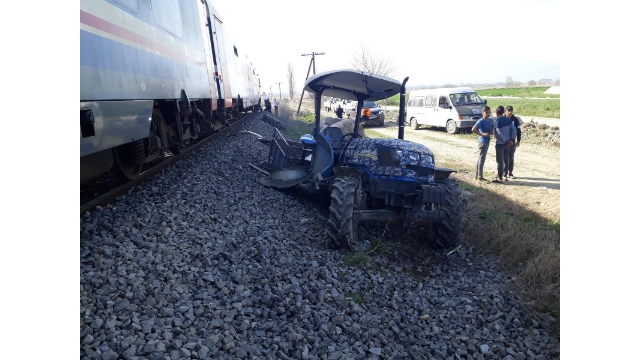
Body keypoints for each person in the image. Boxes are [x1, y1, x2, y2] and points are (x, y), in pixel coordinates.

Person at [492, 106, 517, 183]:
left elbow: (499, 133)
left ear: (496, 113)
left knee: (500, 161)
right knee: (507, 159)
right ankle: (505, 176)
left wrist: (505, 141)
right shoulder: (508, 120)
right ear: (503, 112)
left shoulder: (497, 121)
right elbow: (514, 130)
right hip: (508, 144)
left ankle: (500, 177)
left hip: (500, 143)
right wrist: (511, 140)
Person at [471, 106, 493, 182]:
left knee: (481, 158)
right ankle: (479, 177)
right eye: (486, 112)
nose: (488, 114)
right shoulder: (481, 121)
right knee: (481, 159)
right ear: (482, 113)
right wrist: (481, 134)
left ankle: (477, 175)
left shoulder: (490, 120)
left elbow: (492, 131)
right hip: (482, 141)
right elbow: (473, 129)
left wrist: (489, 133)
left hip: (487, 140)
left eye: (489, 112)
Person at [504, 105, 521, 179]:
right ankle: (504, 172)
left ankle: (510, 172)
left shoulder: (515, 120)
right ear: (505, 111)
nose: (510, 112)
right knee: (505, 157)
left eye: (511, 111)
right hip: (504, 141)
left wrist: (518, 139)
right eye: (508, 110)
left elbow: (518, 130)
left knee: (511, 156)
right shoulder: (503, 119)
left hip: (512, 140)